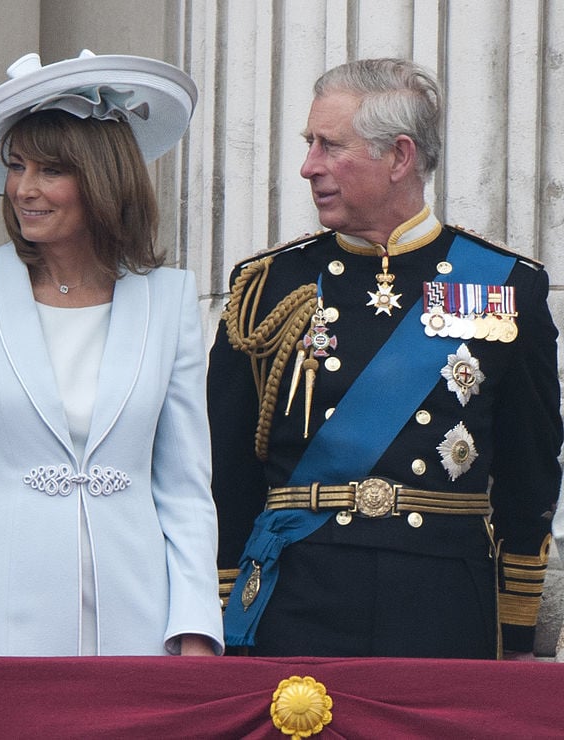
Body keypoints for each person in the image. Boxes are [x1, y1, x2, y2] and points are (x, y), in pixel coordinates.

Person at [208, 57, 562, 659]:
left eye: (329, 145)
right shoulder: (267, 286)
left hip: (444, 600)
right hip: (297, 595)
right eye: (309, 143)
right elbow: (227, 470)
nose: (308, 166)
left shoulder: (504, 284)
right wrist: (219, 607)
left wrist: (517, 626)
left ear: (399, 157)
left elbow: (529, 474)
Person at [0, 50, 223, 656]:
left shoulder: (170, 298)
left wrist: (196, 627)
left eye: (50, 170)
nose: (24, 189)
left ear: (102, 178)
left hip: (141, 621)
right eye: (17, 166)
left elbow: (184, 487)